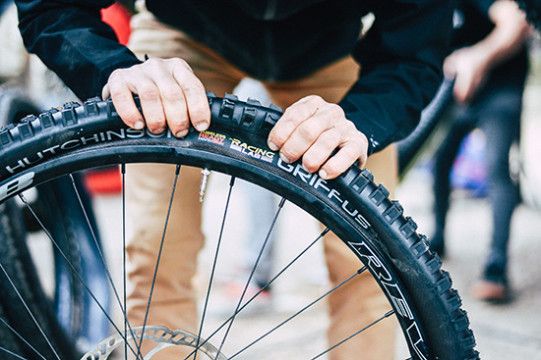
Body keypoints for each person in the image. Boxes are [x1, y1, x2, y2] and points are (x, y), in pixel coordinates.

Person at [15, 0, 452, 358]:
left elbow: (416, 52)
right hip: (183, 36)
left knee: (371, 257)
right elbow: (51, 6)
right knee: (158, 244)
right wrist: (111, 67)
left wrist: (361, 121)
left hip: (332, 54)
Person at [430, 0, 529, 302]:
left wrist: (477, 57)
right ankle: (437, 240)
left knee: (496, 169)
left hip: (500, 91)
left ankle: (496, 267)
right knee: (441, 160)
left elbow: (516, 23)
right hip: (461, 95)